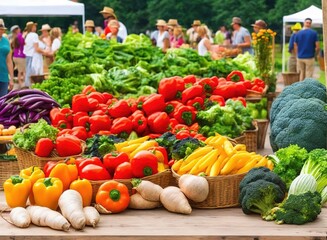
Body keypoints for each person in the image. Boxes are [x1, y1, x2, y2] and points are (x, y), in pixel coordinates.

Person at [23, 21, 45, 87]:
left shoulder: (27, 35)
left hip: (27, 55)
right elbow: (36, 48)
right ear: (32, 27)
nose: (35, 27)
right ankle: (32, 88)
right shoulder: (34, 35)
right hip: (32, 56)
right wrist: (45, 52)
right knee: (34, 73)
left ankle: (27, 87)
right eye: (34, 26)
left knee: (28, 72)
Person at [0, 19, 14, 97]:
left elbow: (9, 61)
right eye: (0, 30)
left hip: (4, 76)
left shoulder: (6, 41)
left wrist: (11, 79)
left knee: (2, 100)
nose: (2, 31)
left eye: (2, 30)